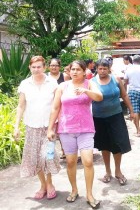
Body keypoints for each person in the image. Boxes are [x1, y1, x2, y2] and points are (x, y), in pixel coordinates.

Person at [47, 60, 103, 209]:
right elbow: (55, 108)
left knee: (88, 161)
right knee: (71, 162)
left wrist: (86, 91)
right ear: (69, 71)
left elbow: (99, 97)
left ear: (84, 71)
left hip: (85, 129)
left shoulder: (89, 84)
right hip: (66, 130)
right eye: (72, 69)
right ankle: (74, 190)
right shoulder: (63, 86)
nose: (75, 72)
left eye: (78, 69)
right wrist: (50, 128)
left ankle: (89, 194)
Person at [13, 55, 60, 200]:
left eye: (39, 67)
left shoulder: (52, 83)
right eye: (33, 67)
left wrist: (53, 126)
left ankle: (50, 183)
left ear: (44, 67)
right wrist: (16, 126)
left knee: (47, 156)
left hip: (49, 127)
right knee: (35, 157)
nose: (36, 69)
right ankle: (43, 185)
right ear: (29, 68)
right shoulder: (25, 84)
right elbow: (21, 106)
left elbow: (57, 105)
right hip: (31, 126)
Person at [92, 58, 134, 185]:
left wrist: (132, 111)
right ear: (97, 69)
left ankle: (118, 171)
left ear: (109, 68)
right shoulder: (91, 82)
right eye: (100, 68)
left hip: (116, 116)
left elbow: (124, 95)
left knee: (117, 144)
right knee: (104, 146)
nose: (103, 71)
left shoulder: (116, 79)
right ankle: (108, 171)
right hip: (98, 118)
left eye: (105, 68)